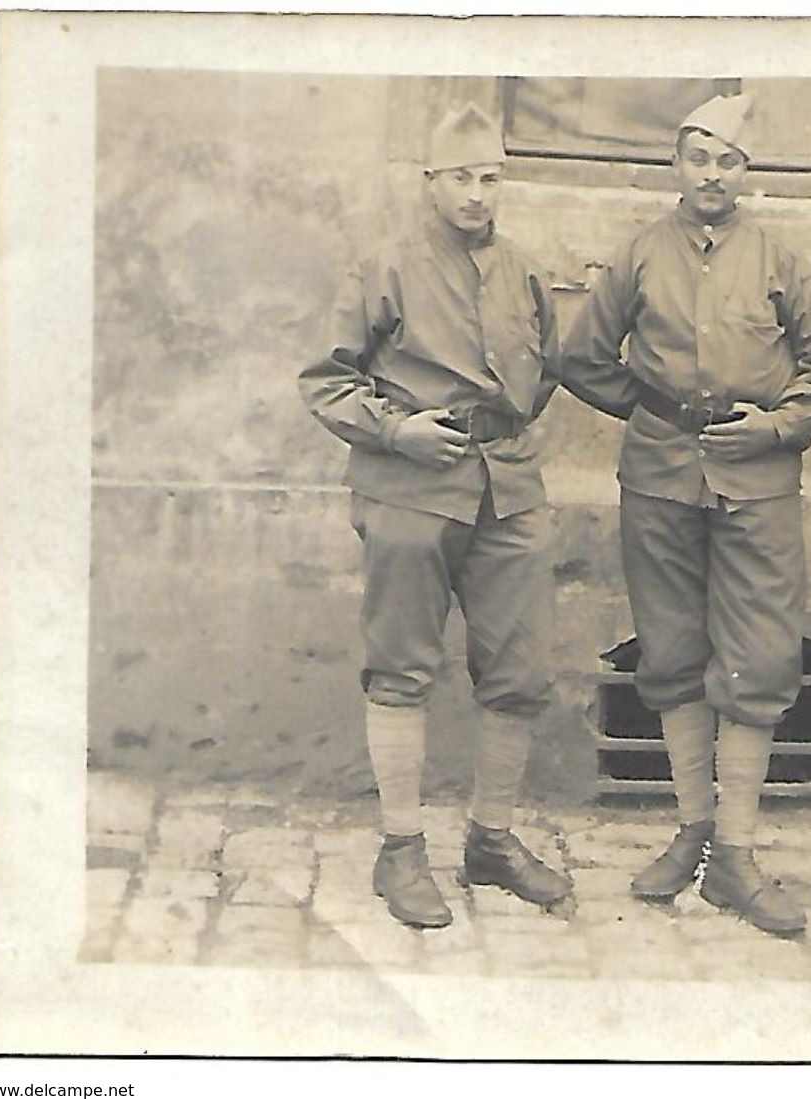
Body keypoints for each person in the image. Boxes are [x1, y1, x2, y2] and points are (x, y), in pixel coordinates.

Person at [560, 93, 811, 935]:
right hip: (658, 479)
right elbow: (580, 356)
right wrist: (654, 413)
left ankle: (734, 850)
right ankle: (691, 826)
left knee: (759, 656)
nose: (712, 175)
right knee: (672, 648)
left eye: (728, 160)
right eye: (699, 158)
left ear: (745, 171)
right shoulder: (640, 256)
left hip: (756, 483)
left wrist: (772, 427)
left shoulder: (778, 260)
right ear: (677, 165)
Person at [299, 103, 571, 929]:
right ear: (431, 182)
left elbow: (547, 371)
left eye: (490, 177)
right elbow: (325, 381)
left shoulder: (524, 271)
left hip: (508, 492)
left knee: (520, 672)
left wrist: (504, 437)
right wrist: (398, 429)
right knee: (401, 668)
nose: (477, 194)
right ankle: (400, 847)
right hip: (410, 490)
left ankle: (491, 839)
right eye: (461, 177)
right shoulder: (385, 267)